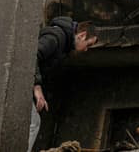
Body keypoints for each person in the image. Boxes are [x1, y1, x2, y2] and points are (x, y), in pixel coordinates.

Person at [31, 17, 97, 151]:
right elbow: (32, 56)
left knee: (33, 121)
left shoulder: (64, 45)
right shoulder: (55, 38)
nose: (86, 50)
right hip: (22, 81)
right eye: (88, 45)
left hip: (28, 82)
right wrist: (37, 88)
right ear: (82, 35)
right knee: (33, 122)